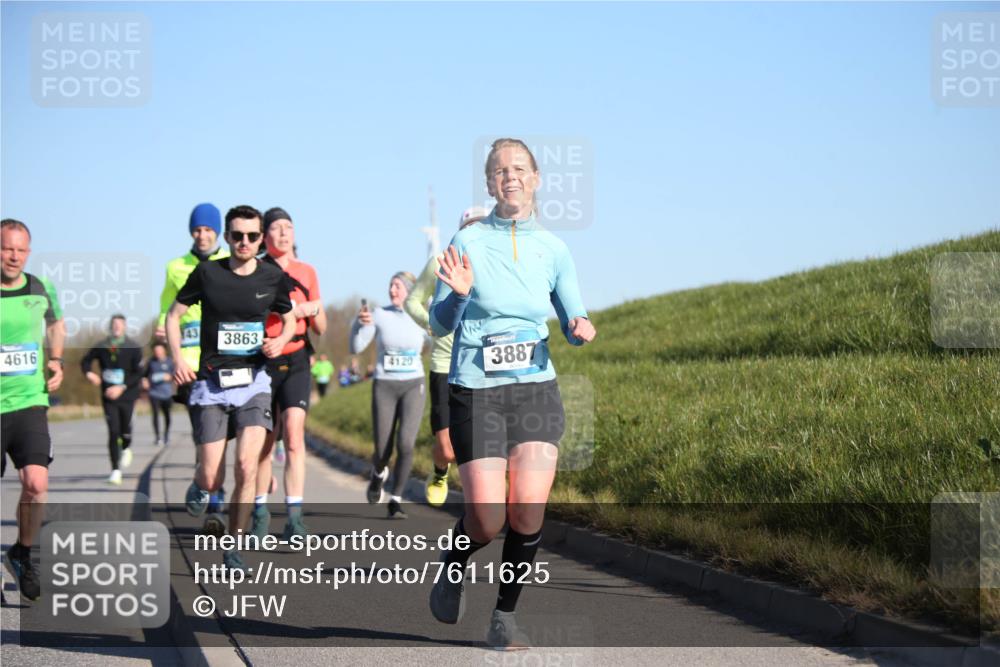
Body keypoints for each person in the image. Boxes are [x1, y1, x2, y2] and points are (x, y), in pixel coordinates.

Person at [427, 138, 597, 649]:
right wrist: (457, 297)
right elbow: (438, 324)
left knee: (527, 511)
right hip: (477, 393)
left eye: (519, 168)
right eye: (500, 170)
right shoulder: (468, 242)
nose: (510, 177)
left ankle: (504, 617)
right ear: (489, 184)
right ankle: (455, 560)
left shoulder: (554, 249)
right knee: (487, 517)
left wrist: (578, 327)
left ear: (537, 177)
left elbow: (571, 313)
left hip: (536, 391)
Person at [166, 205, 295, 571]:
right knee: (212, 476)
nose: (245, 242)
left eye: (252, 236)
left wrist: (280, 341)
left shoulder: (272, 277)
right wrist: (177, 359)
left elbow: (288, 319)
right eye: (237, 235)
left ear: (260, 238)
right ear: (227, 237)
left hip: (254, 383)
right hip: (211, 384)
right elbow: (173, 316)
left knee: (246, 466)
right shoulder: (207, 273)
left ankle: (233, 548)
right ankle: (199, 483)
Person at [250, 207, 327, 539]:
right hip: (265, 358)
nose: (283, 233)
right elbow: (253, 313)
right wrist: (292, 310)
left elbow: (320, 327)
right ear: (265, 236)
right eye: (276, 228)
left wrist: (314, 309)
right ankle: (259, 512)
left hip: (297, 359)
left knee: (294, 437)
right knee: (264, 443)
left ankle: (295, 518)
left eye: (288, 227)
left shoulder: (307, 271)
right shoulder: (257, 270)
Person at [405, 205, 488, 506]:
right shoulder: (439, 261)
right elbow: (412, 301)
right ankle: (440, 471)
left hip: (481, 364)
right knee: (448, 448)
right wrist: (430, 323)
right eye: (471, 226)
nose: (476, 232)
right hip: (444, 363)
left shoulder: (494, 263)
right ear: (460, 230)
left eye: (483, 226)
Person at [1, 219, 65, 602]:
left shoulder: (41, 288)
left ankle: (23, 552)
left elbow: (57, 323)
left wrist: (55, 360)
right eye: (8, 248)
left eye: (21, 249)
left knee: (37, 484)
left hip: (29, 401)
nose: (14, 256)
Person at [156, 203, 230, 532]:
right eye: (197, 230)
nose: (202, 236)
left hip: (223, 358)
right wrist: (161, 329)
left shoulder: (229, 262)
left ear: (217, 233)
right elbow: (166, 307)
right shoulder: (176, 266)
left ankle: (213, 487)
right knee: (205, 433)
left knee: (222, 435)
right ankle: (214, 496)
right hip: (189, 363)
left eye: (208, 230)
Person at [350, 272, 426, 519]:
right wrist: (358, 324)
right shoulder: (379, 314)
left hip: (414, 384)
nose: (393, 290)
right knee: (383, 449)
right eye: (391, 285)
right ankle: (377, 473)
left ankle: (396, 499)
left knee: (405, 443)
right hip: (385, 384)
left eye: (398, 286)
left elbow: (440, 339)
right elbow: (356, 347)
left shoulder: (421, 316)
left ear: (410, 290)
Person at [82, 314, 143, 485]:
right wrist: (89, 374)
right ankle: (115, 470)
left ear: (125, 327)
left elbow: (139, 373)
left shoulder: (133, 347)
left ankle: (126, 447)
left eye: (120, 324)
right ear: (110, 326)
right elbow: (85, 361)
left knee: (125, 431)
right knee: (113, 431)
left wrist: (121, 387)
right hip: (108, 396)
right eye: (114, 324)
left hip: (127, 395)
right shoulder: (102, 346)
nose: (117, 327)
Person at [143, 341, 175, 445]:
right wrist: (145, 381)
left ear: (164, 350)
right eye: (156, 351)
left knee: (167, 415)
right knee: (155, 415)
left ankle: (166, 435)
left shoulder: (170, 362)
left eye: (159, 350)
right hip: (154, 393)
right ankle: (157, 437)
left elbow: (176, 375)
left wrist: (169, 377)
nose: (158, 352)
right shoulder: (151, 362)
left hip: (167, 393)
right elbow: (144, 375)